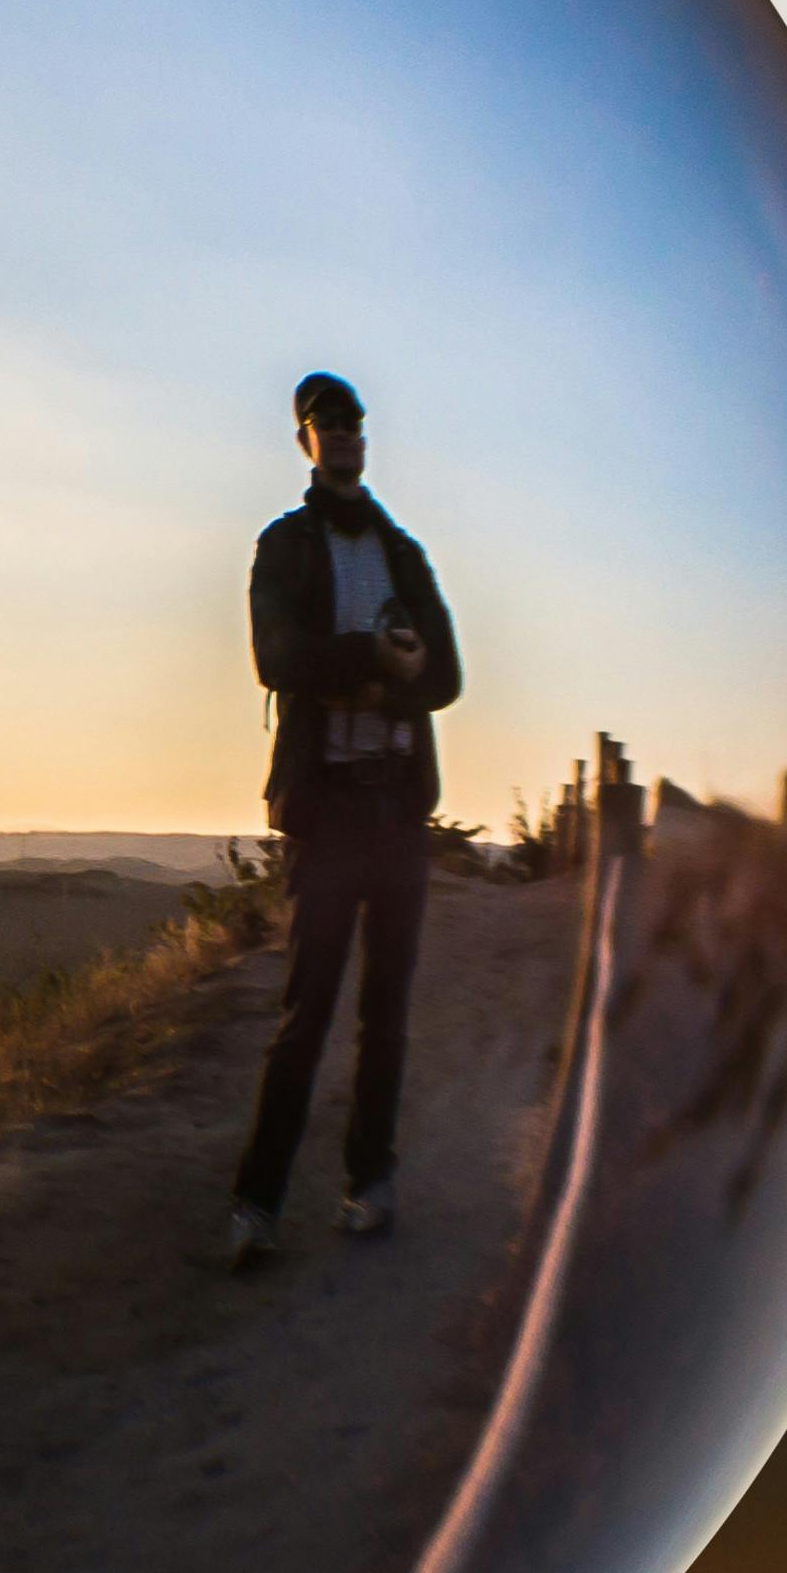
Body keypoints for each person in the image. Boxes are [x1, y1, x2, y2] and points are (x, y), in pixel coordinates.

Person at [232, 371, 463, 1265]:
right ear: (305, 441)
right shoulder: (284, 546)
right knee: (307, 1014)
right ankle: (257, 1203)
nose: (346, 433)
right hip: (327, 814)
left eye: (356, 422)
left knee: (387, 1017)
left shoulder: (403, 551)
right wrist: (372, 660)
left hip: (397, 808)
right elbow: (273, 657)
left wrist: (393, 674)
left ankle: (370, 1184)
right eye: (328, 423)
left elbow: (446, 677)